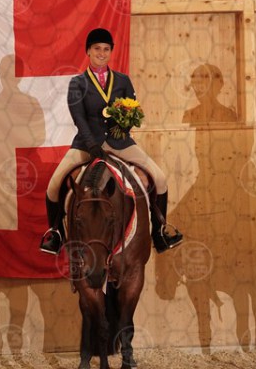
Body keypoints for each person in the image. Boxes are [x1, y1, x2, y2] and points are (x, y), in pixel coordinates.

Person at [39, 28, 182, 255]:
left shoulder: (123, 81)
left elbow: (133, 112)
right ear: (88, 51)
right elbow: (79, 117)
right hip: (87, 144)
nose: (102, 53)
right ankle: (55, 233)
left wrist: (122, 128)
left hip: (120, 142)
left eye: (106, 49)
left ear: (111, 52)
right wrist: (91, 144)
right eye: (97, 48)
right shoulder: (78, 83)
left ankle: (160, 231)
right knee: (54, 185)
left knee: (160, 178)